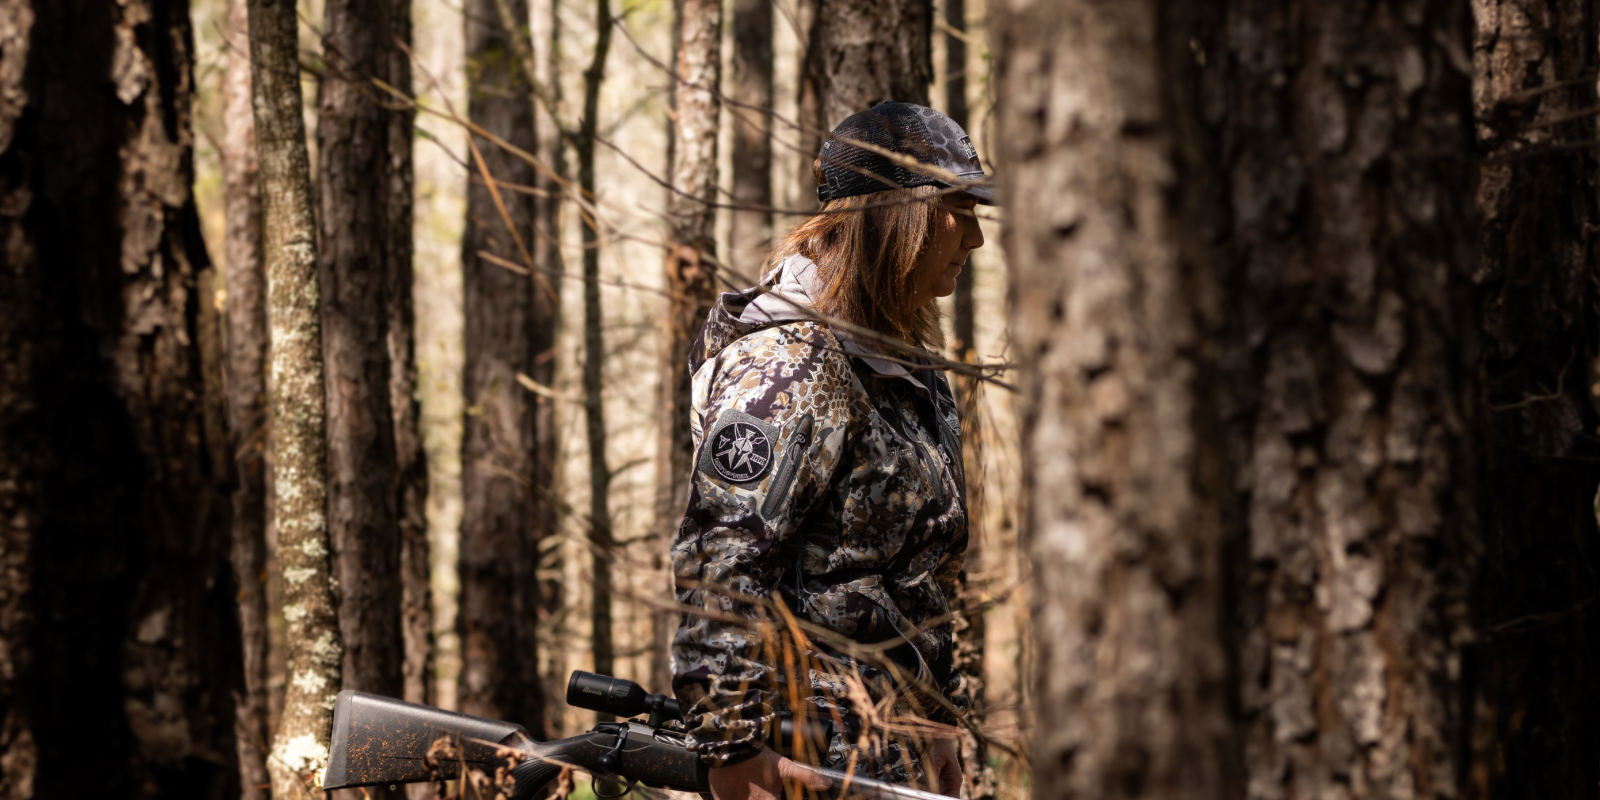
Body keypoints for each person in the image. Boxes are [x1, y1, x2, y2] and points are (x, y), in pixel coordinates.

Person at [669, 102, 993, 800]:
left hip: (890, 756)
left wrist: (934, 721)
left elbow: (916, 577)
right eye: (957, 208)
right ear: (897, 218)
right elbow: (720, 565)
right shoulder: (787, 367)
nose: (975, 238)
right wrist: (732, 757)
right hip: (802, 762)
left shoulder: (911, 371)